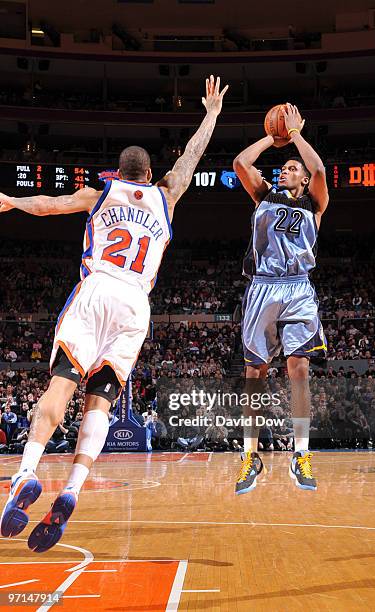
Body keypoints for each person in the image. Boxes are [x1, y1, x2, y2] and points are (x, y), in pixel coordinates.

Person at [0, 75, 228, 552]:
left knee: (60, 385)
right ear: (148, 175)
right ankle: (72, 489)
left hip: (99, 289)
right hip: (136, 306)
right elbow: (190, 157)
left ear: (119, 173)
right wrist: (209, 113)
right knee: (99, 402)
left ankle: (25, 472)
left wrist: (10, 201)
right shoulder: (166, 197)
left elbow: (47, 206)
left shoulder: (99, 195)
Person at [233, 103, 329, 494]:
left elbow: (320, 170)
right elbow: (241, 162)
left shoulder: (314, 203)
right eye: (283, 167)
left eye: (292, 168)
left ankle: (301, 453)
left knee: (299, 367)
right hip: (262, 286)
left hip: (298, 286)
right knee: (254, 373)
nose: (284, 170)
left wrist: (297, 136)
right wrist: (271, 139)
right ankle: (250, 456)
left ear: (303, 180)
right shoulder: (264, 197)